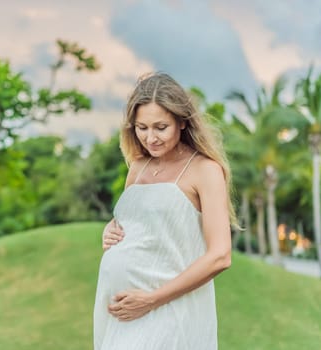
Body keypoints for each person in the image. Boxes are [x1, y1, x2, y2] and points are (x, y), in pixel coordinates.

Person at [93, 72, 235, 350]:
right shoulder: (138, 167)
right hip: (120, 310)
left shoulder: (205, 170)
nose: (150, 138)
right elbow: (144, 220)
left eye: (161, 127)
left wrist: (151, 299)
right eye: (141, 127)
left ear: (182, 122)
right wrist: (110, 228)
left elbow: (220, 256)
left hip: (165, 310)